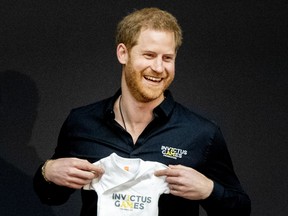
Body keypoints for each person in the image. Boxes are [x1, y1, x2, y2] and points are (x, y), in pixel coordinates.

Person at [33, 7, 251, 216]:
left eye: (167, 58)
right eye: (149, 55)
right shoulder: (82, 122)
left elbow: (240, 210)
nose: (158, 68)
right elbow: (52, 196)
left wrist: (209, 190)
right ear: (123, 53)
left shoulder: (201, 133)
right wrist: (47, 172)